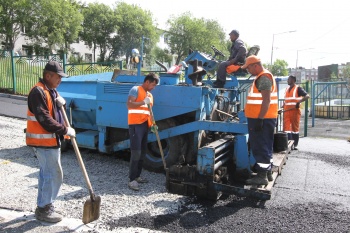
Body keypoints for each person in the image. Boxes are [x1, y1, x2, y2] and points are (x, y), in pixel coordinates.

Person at [26, 61, 75, 223]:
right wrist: (64, 130)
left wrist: (60, 101)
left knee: (47, 174)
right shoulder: (38, 92)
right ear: (48, 76)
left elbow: (53, 111)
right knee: (52, 174)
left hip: (50, 142)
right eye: (58, 77)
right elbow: (44, 119)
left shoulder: (50, 91)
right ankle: (44, 208)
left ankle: (43, 205)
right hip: (43, 142)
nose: (60, 80)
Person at [242, 55, 278, 185]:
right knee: (266, 145)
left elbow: (266, 100)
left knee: (260, 145)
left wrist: (260, 119)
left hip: (261, 118)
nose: (248, 71)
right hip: (264, 118)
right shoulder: (263, 76)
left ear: (255, 65)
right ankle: (267, 172)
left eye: (249, 68)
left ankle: (262, 176)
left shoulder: (263, 77)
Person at [127, 73, 159, 191]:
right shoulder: (136, 90)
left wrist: (153, 125)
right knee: (136, 152)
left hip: (145, 125)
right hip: (136, 125)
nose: (153, 87)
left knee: (142, 152)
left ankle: (137, 176)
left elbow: (149, 111)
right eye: (153, 85)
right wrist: (142, 102)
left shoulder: (149, 95)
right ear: (147, 82)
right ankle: (132, 180)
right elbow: (129, 105)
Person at [281, 75, 310, 150]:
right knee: (286, 128)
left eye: (289, 79)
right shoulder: (287, 89)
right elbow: (287, 100)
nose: (287, 80)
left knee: (295, 129)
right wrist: (283, 106)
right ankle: (288, 144)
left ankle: (294, 144)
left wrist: (299, 102)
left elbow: (307, 96)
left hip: (295, 111)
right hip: (287, 111)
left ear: (293, 80)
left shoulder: (298, 88)